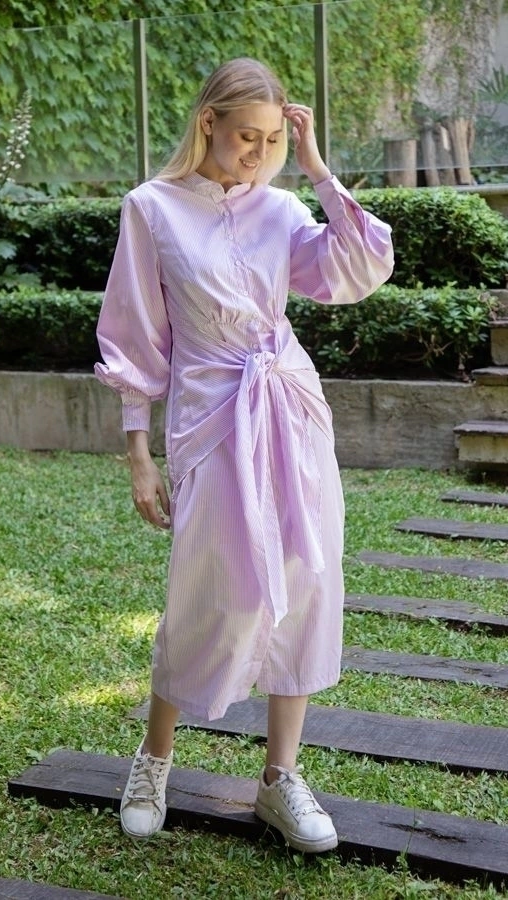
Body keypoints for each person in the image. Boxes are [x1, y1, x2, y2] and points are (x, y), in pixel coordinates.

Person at [95, 57, 393, 854]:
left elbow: (357, 269)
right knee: (207, 589)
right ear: (209, 124)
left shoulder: (282, 208)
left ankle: (279, 778)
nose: (258, 153)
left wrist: (318, 169)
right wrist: (137, 454)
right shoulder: (151, 209)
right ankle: (154, 759)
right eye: (245, 137)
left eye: (272, 140)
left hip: (291, 411)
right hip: (211, 419)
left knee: (304, 581)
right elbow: (134, 337)